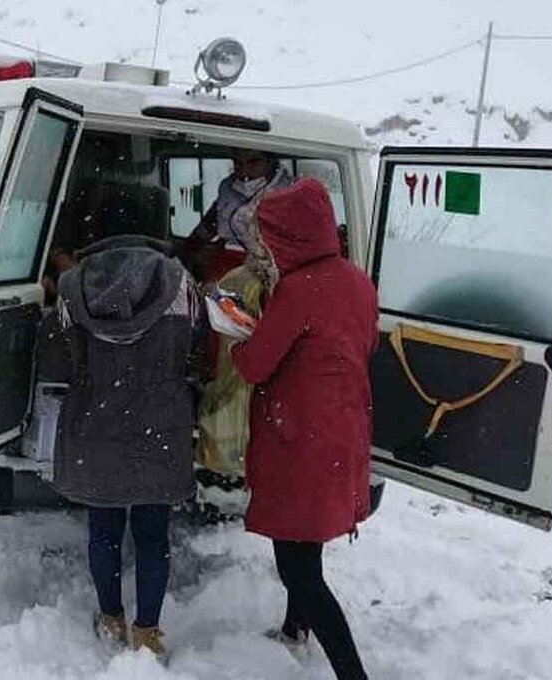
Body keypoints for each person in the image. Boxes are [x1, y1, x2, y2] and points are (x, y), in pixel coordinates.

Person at [230, 178, 378, 680]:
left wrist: (236, 338)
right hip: (341, 431)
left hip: (301, 440)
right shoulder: (357, 281)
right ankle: (295, 631)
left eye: (271, 238)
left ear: (290, 236)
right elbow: (359, 346)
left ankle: (351, 673)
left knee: (297, 568)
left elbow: (254, 366)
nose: (267, 248)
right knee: (305, 542)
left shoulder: (297, 291)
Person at [37, 235, 203, 660]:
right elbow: (198, 354)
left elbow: (58, 365)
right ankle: (147, 630)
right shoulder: (182, 286)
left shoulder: (73, 290)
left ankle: (111, 618)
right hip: (161, 426)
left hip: (96, 425)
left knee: (105, 530)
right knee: (152, 534)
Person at [181, 148, 292, 285]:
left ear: (270, 162)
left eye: (254, 162)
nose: (244, 171)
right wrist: (195, 250)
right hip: (224, 265)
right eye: (238, 163)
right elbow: (211, 223)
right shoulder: (228, 188)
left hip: (266, 273)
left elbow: (289, 250)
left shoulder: (290, 194)